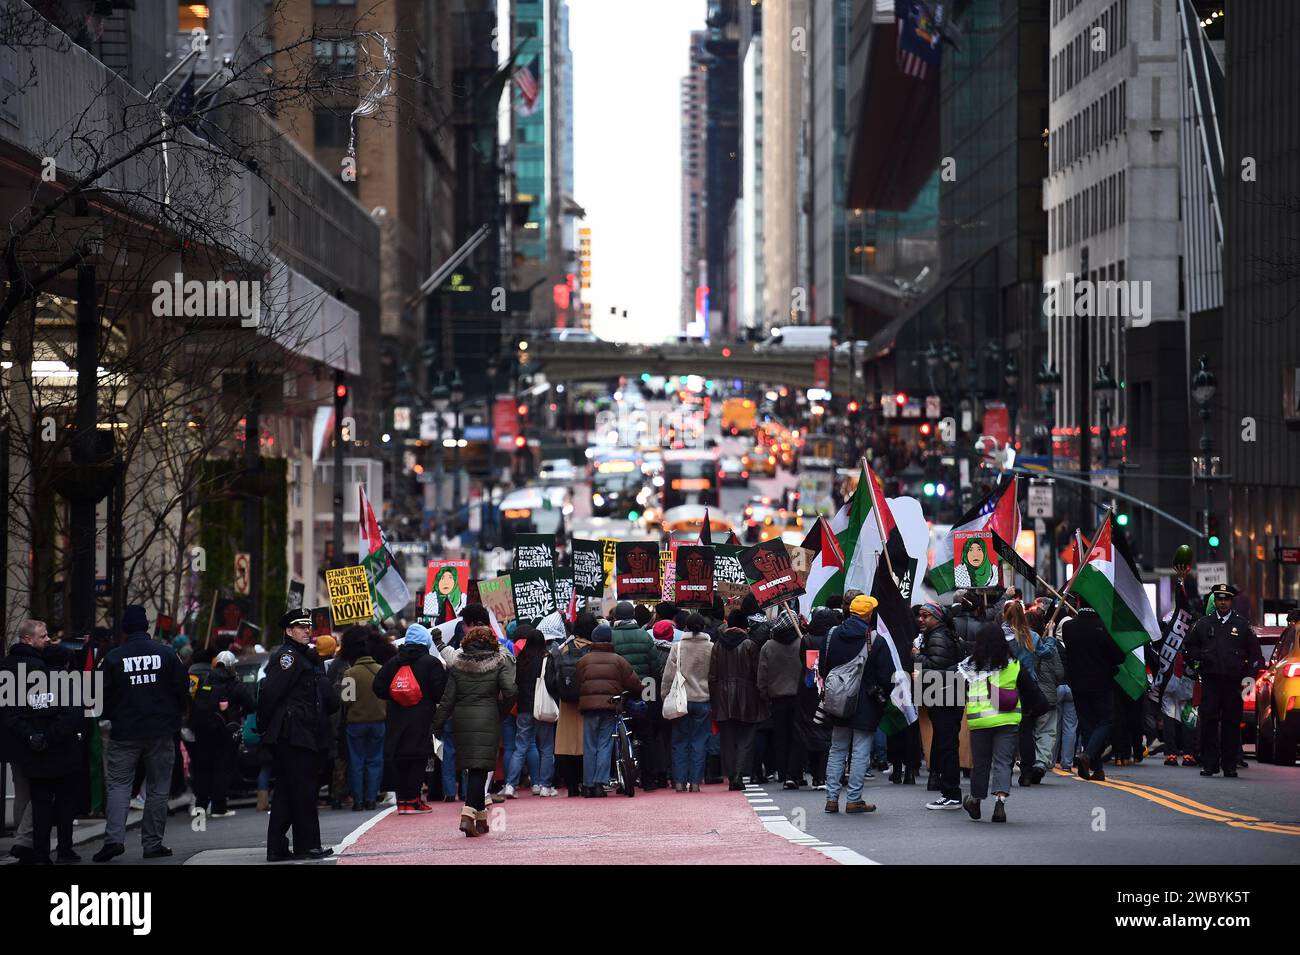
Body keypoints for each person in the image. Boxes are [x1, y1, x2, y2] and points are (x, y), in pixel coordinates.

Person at [94, 605, 190, 863]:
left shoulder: (113, 658)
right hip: (160, 731)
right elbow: (182, 690)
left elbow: (99, 697)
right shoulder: (167, 654)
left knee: (119, 785)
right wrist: (174, 716)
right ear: (146, 626)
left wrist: (114, 716)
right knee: (158, 788)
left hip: (125, 731)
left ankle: (114, 840)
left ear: (125, 628)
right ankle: (152, 843)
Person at [256, 608, 340, 861]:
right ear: (289, 631)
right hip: (292, 734)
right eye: (301, 627)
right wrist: (264, 726)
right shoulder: (288, 658)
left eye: (308, 627)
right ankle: (307, 845)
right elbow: (270, 694)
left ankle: (277, 847)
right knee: (303, 791)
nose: (307, 631)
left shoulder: (304, 657)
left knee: (287, 792)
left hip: (302, 732)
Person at [3, 625, 82, 864]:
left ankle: (37, 851)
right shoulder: (66, 683)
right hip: (61, 752)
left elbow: (14, 714)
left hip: (34, 752)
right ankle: (64, 850)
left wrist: (32, 736)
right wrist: (49, 736)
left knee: (38, 804)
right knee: (64, 804)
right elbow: (72, 717)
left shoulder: (26, 682)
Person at [958, 622, 1048, 823]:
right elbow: (1030, 690)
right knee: (1002, 762)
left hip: (980, 722)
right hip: (1008, 721)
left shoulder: (970, 666)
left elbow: (955, 687)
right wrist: (1038, 707)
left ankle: (975, 800)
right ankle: (1000, 803)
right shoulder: (1014, 665)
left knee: (981, 763)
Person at [432, 626, 517, 835]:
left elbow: (447, 699)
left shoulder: (457, 665)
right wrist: (502, 711)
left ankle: (480, 819)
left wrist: (437, 724)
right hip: (488, 717)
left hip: (462, 719)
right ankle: (467, 815)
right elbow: (510, 690)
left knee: (474, 767)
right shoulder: (499, 663)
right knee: (480, 768)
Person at [819, 595, 893, 814]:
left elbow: (823, 668)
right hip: (866, 702)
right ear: (869, 614)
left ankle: (831, 799)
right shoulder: (874, 639)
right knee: (860, 751)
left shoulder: (831, 635)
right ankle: (853, 799)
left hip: (838, 699)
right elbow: (887, 675)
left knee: (837, 748)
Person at [1183, 583, 1263, 778]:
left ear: (1231, 601)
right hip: (1211, 681)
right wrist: (1198, 660)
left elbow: (1256, 656)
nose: (1223, 602)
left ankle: (1229, 765)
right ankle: (1209, 764)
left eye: (1226, 599)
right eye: (1219, 599)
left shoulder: (1242, 625)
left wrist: (1249, 679)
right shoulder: (1203, 624)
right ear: (1215, 601)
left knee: (1231, 724)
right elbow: (1189, 648)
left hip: (1233, 684)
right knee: (1209, 722)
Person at [373, 623, 446, 813]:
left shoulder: (393, 662)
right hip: (422, 718)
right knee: (418, 758)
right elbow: (440, 692)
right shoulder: (431, 662)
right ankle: (414, 800)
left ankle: (403, 801)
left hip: (396, 718)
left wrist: (396, 695)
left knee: (400, 759)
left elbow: (378, 687)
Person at [1060, 596, 1125, 782]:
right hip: (1101, 683)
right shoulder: (1102, 627)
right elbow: (1119, 656)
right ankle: (1087, 756)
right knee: (1105, 721)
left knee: (1088, 725)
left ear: (1079, 603)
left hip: (1078, 683)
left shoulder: (1068, 627)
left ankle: (1097, 769)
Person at [574, 623, 643, 796]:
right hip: (610, 706)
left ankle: (588, 784)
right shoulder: (618, 660)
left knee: (589, 745)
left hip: (589, 708)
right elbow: (634, 682)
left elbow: (577, 683)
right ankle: (600, 783)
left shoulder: (583, 661)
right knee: (604, 744)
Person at [1, 620, 50, 863]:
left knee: (21, 790)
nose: (47, 639)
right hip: (32, 736)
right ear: (28, 639)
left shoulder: (5, 665)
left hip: (10, 738)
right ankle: (25, 841)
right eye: (43, 636)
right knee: (40, 791)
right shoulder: (37, 667)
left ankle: (22, 842)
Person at [188, 650, 255, 818]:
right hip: (226, 732)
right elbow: (252, 704)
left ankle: (201, 806)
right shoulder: (234, 684)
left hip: (204, 732)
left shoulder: (205, 680)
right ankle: (219, 807)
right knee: (222, 769)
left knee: (203, 768)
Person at [710, 610, 769, 791]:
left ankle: (730, 774)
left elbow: (712, 676)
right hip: (747, 696)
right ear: (745, 625)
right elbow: (757, 673)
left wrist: (714, 697)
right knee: (746, 737)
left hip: (722, 696)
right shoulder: (750, 645)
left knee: (727, 738)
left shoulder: (718, 645)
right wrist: (762, 695)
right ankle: (739, 774)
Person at [609, 601, 665, 790]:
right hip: (644, 689)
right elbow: (655, 666)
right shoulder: (644, 636)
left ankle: (622, 775)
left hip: (619, 690)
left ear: (616, 617)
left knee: (618, 731)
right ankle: (649, 779)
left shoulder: (611, 637)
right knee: (647, 735)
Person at [915, 602, 965, 810]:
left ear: (936, 618)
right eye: (920, 616)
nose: (921, 620)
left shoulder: (937, 637)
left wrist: (917, 656)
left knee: (946, 744)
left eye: (926, 616)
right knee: (947, 743)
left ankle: (951, 793)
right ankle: (949, 791)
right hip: (948, 695)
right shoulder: (941, 634)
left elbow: (939, 667)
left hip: (944, 696)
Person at [502, 624, 560, 797]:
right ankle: (544, 785)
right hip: (542, 707)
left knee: (520, 747)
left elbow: (514, 685)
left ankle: (511, 785)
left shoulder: (520, 660)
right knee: (546, 748)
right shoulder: (546, 659)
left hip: (524, 708)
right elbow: (551, 684)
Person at [661, 612, 713, 791]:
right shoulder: (711, 647)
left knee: (679, 741)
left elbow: (668, 675)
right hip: (703, 699)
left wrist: (665, 695)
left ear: (686, 627)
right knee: (699, 741)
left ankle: (679, 781)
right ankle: (696, 782)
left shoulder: (678, 647)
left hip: (681, 699)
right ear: (704, 627)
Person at [757, 610, 804, 789]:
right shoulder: (802, 642)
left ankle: (783, 773)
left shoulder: (768, 646)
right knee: (797, 736)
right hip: (799, 697)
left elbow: (762, 675)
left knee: (781, 737)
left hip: (777, 698)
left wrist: (764, 694)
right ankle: (796, 773)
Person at [341, 635, 387, 811]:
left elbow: (345, 700)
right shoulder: (381, 670)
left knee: (356, 761)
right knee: (375, 761)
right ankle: (371, 798)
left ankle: (358, 800)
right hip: (378, 721)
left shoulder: (350, 673)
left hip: (356, 723)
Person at [552, 611, 595, 796]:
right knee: (588, 743)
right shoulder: (595, 649)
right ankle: (587, 782)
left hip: (567, 702)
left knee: (568, 744)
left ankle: (571, 785)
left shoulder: (564, 648)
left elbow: (555, 677)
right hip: (589, 701)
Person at [797, 608, 838, 788]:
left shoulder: (806, 639)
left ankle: (813, 773)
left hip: (809, 688)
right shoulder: (834, 639)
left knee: (810, 729)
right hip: (830, 686)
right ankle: (822, 775)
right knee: (827, 731)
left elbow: (803, 662)